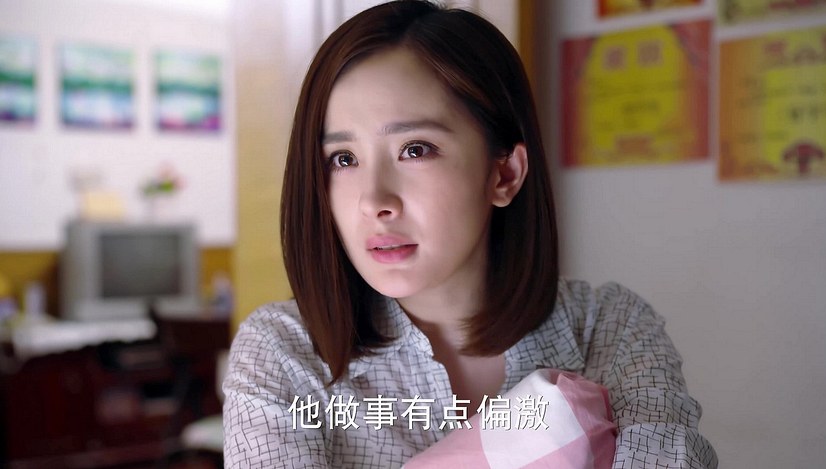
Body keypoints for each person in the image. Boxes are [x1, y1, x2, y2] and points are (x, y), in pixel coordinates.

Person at [223, 1, 718, 467]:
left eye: (415, 149)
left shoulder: (609, 329)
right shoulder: (283, 352)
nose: (374, 201)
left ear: (504, 174)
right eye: (344, 158)